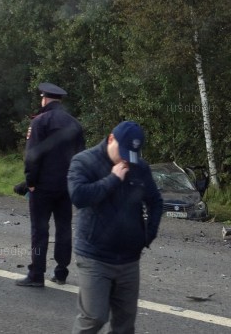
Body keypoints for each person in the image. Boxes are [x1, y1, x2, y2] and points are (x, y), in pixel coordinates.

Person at [68, 120, 163, 333]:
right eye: (122, 152)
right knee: (94, 317)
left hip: (129, 259)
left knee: (125, 324)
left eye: (131, 154)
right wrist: (112, 179)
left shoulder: (140, 168)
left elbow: (155, 201)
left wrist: (147, 235)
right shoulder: (84, 161)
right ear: (111, 138)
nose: (126, 159)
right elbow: (78, 196)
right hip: (95, 256)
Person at [16, 82, 85, 287]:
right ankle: (61, 272)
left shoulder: (40, 122)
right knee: (64, 228)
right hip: (66, 186)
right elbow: (82, 157)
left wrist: (30, 182)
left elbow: (32, 156)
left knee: (39, 229)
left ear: (44, 99)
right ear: (60, 100)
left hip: (43, 187)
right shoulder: (74, 123)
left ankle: (36, 274)